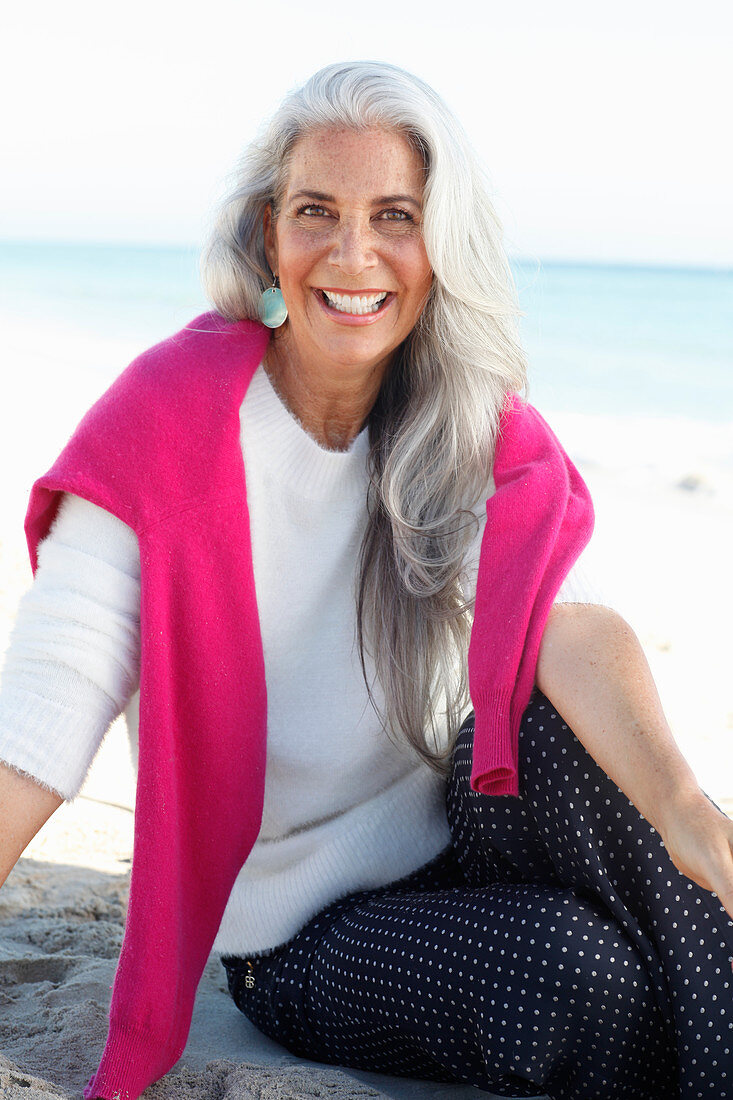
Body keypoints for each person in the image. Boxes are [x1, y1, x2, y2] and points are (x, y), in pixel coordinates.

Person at [1, 60, 732, 1100]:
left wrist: (680, 797)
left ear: (440, 245)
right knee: (580, 975)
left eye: (395, 213)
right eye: (316, 211)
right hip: (300, 929)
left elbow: (559, 627)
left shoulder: (457, 419)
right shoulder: (165, 423)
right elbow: (48, 700)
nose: (353, 253)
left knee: (551, 732)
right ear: (267, 232)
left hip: (449, 833)